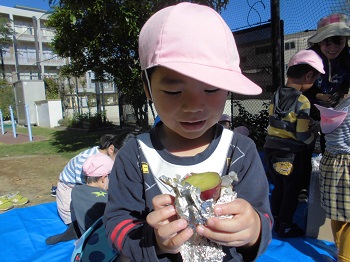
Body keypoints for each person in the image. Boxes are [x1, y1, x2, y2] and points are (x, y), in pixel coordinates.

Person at [104, 3, 272, 261]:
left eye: (211, 89)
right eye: (173, 91)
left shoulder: (239, 152)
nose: (194, 106)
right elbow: (116, 221)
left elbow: (263, 216)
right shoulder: (135, 155)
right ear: (148, 87)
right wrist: (154, 241)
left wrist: (254, 229)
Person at [264, 50, 325, 238]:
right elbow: (300, 134)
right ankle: (286, 226)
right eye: (314, 79)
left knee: (279, 186)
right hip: (291, 153)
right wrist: (312, 139)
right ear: (308, 76)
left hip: (271, 149)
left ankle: (273, 219)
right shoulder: (303, 101)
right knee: (292, 191)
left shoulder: (276, 94)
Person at [302, 13, 350, 203]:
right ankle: (304, 186)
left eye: (337, 41)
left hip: (337, 113)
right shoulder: (312, 59)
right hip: (313, 108)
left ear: (345, 40)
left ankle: (328, 184)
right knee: (305, 145)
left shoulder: (347, 60)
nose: (331, 47)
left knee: (329, 147)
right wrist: (319, 96)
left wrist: (341, 97)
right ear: (319, 42)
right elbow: (304, 86)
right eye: (326, 42)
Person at [46, 134, 119, 245]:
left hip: (84, 187)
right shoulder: (104, 198)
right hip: (68, 186)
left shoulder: (77, 191)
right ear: (104, 178)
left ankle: (75, 233)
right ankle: (74, 233)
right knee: (72, 221)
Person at [316, 92, 350, 262]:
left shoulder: (341, 104)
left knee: (339, 211)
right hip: (347, 162)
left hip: (331, 160)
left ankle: (339, 249)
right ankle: (345, 257)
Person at [71, 153, 114, 235]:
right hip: (103, 242)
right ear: (104, 178)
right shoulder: (107, 199)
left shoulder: (75, 191)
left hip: (86, 240)